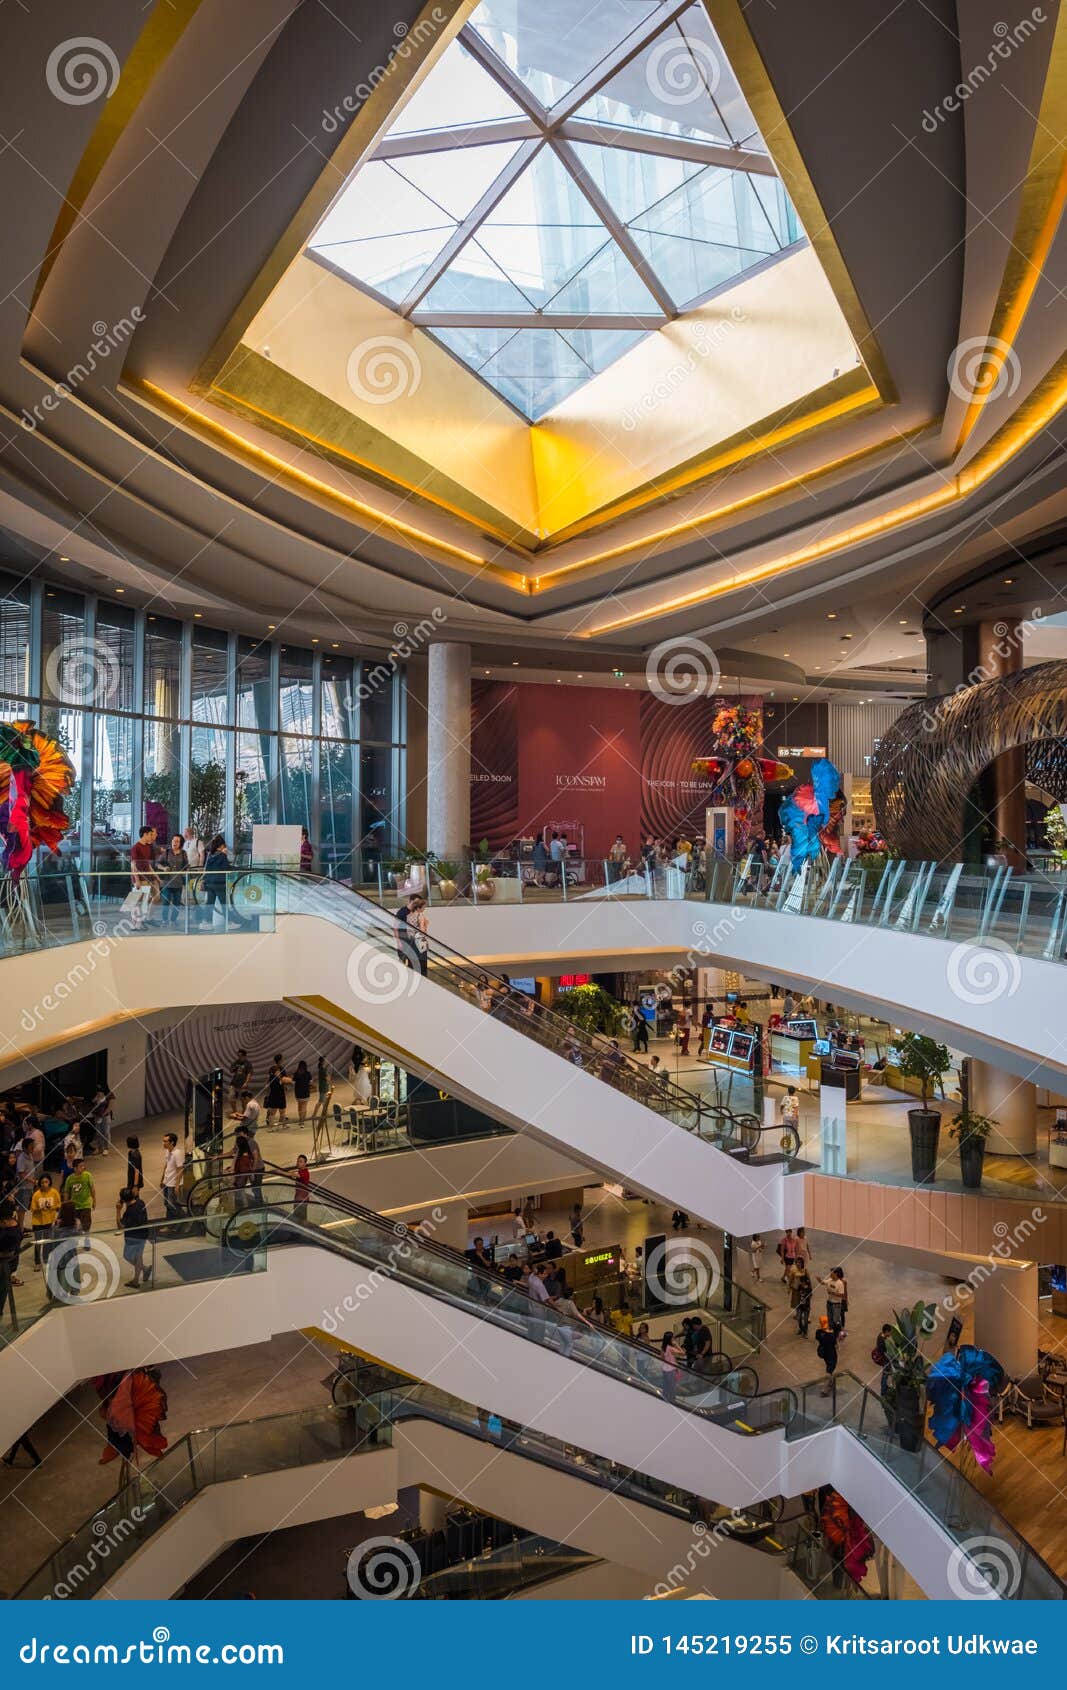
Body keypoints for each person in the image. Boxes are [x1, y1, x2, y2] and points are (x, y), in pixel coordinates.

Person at [117, 1185, 152, 1287]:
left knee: (127, 1256)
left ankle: (142, 1272)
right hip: (143, 1235)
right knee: (138, 1256)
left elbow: (120, 1226)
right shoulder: (141, 1203)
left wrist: (118, 1210)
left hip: (133, 1238)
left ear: (123, 1200)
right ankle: (140, 1275)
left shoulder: (128, 1213)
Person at [30, 1172, 60, 1270]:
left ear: (49, 1182)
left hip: (49, 1221)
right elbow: (33, 1209)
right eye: (42, 1182)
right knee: (38, 1243)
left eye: (46, 1182)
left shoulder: (54, 1192)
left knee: (47, 1241)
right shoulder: (36, 1195)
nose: (44, 1184)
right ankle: (37, 1262)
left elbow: (59, 1205)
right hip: (37, 1222)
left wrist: (52, 1207)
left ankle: (46, 1258)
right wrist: (41, 1208)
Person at [0, 1199, 22, 1328]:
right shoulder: (13, 1225)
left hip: (4, 1268)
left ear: (4, 1221)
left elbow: (9, 1254)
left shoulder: (12, 1234)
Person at [129, 824, 160, 919]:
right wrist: (137, 880)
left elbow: (148, 864)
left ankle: (144, 919)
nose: (152, 836)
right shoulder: (136, 847)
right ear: (145, 834)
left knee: (152, 898)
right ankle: (136, 922)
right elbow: (133, 864)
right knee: (137, 901)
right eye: (150, 834)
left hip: (148, 877)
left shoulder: (147, 847)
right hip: (140, 878)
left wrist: (156, 877)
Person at [201, 834, 231, 924]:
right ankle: (229, 922)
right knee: (224, 904)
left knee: (210, 904)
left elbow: (207, 868)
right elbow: (226, 868)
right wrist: (225, 855)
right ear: (222, 845)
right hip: (219, 883)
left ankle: (206, 922)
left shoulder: (210, 855)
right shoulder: (222, 855)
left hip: (209, 883)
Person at [159, 835, 189, 925]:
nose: (174, 843)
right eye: (173, 840)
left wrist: (186, 870)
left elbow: (186, 866)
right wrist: (163, 868)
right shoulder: (167, 852)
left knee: (177, 903)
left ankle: (173, 920)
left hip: (178, 882)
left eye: (177, 841)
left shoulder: (183, 853)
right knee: (166, 902)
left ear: (180, 843)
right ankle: (164, 920)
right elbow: (157, 863)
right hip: (167, 882)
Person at [63, 1157, 95, 1233]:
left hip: (86, 1204)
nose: (83, 1168)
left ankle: (86, 1239)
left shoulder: (88, 1175)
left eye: (83, 1166)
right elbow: (66, 1192)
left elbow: (92, 1189)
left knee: (86, 1224)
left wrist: (94, 1200)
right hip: (75, 1206)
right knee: (75, 1226)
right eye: (81, 1166)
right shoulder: (70, 1179)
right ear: (75, 1168)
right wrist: (66, 1204)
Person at [160, 1132, 184, 1220]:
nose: (163, 1143)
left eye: (165, 1141)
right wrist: (162, 1179)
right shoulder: (167, 1151)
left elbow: (180, 1169)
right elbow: (166, 1165)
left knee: (172, 1204)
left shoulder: (177, 1153)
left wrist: (177, 1185)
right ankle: (176, 1220)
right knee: (167, 1203)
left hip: (173, 1184)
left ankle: (181, 1219)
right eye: (163, 1141)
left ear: (172, 1142)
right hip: (167, 1182)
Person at [263, 1055, 291, 1129]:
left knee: (281, 1112)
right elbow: (286, 1080)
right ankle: (272, 1127)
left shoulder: (273, 1077)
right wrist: (292, 1080)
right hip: (277, 1097)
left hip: (277, 1096)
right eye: (278, 1072)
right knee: (274, 1112)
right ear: (275, 1072)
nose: (279, 1073)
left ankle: (281, 1125)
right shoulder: (276, 1079)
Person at [816, 1314, 839, 1395]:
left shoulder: (818, 1332)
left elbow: (819, 1337)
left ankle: (831, 1382)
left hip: (824, 1353)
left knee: (829, 1368)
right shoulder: (831, 1336)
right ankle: (825, 1390)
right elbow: (836, 1346)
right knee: (829, 1371)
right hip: (832, 1354)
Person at [660, 1330, 685, 1403]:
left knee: (666, 1386)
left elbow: (662, 1357)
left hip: (664, 1369)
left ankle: (665, 1401)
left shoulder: (663, 1347)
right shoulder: (671, 1348)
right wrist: (676, 1345)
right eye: (672, 1337)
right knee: (672, 1387)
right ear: (670, 1339)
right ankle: (672, 1401)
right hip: (671, 1370)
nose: (674, 1338)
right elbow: (683, 1353)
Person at [823, 1265, 848, 1335]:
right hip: (833, 1301)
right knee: (833, 1318)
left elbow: (845, 1292)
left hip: (840, 1301)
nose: (830, 1274)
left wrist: (846, 1300)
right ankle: (834, 1331)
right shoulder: (832, 1280)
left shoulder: (842, 1282)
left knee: (840, 1317)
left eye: (832, 1272)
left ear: (837, 1273)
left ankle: (841, 1330)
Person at [794, 1265, 813, 1337]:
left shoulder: (808, 1289)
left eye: (801, 1282)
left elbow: (809, 1297)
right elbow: (798, 1294)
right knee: (799, 1319)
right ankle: (801, 1329)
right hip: (800, 1305)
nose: (801, 1283)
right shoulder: (800, 1287)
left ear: (804, 1282)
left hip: (806, 1307)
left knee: (805, 1320)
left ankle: (805, 1332)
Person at [292, 1059, 313, 1123]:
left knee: (299, 1106)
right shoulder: (308, 1073)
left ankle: (300, 1119)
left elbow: (293, 1082)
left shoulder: (296, 1073)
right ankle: (302, 1121)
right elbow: (311, 1082)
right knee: (304, 1106)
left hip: (298, 1093)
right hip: (306, 1092)